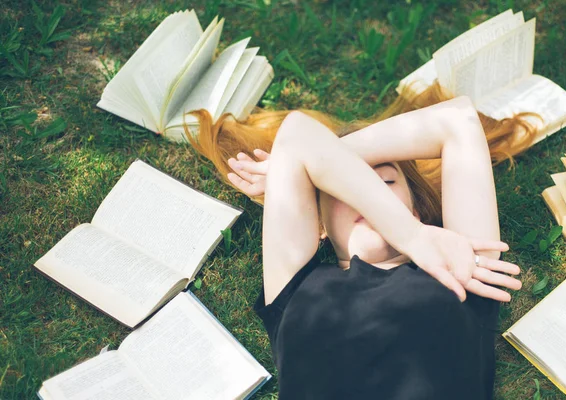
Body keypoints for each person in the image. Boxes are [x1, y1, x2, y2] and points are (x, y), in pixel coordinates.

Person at [185, 83, 538, 399]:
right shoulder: (294, 284)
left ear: (416, 211)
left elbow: (458, 120)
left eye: (384, 185)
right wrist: (409, 235)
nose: (367, 202)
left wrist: (300, 170)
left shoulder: (462, 268)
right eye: (347, 192)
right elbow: (296, 136)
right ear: (318, 225)